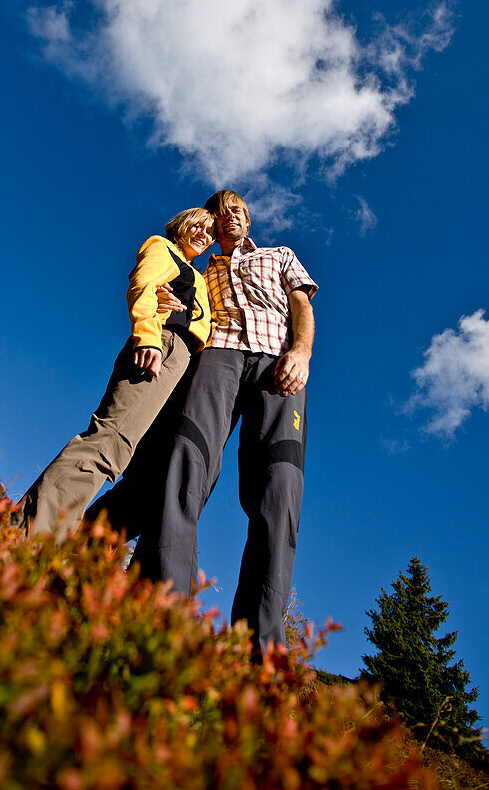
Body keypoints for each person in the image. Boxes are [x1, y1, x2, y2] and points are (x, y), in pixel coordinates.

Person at [128, 189, 317, 650]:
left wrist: (302, 351)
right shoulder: (202, 267)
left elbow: (302, 307)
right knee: (184, 467)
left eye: (238, 210)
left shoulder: (280, 255)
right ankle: (160, 618)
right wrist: (169, 305)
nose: (229, 216)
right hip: (218, 359)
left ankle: (259, 652)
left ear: (248, 221)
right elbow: (173, 296)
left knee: (279, 493)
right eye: (220, 211)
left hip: (277, 366)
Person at [17, 207, 213, 537]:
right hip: (160, 347)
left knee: (134, 461)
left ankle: (71, 548)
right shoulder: (163, 248)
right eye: (198, 226)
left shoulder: (195, 275)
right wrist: (149, 338)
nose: (204, 235)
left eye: (210, 233)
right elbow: (143, 283)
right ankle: (28, 536)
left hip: (178, 361)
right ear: (181, 225)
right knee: (110, 443)